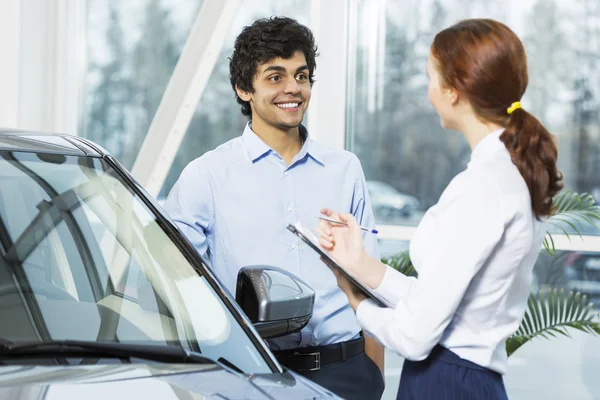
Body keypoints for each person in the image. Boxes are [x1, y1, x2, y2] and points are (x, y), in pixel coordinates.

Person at [316, 18, 563, 399]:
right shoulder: (509, 173)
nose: (428, 91)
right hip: (466, 380)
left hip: (445, 383)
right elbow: (440, 300)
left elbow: (414, 337)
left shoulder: (484, 186)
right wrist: (360, 264)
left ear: (454, 90)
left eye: (431, 77)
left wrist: (355, 300)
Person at [163, 16, 385, 400]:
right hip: (251, 378)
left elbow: (367, 281)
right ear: (243, 88)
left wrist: (373, 375)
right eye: (275, 77)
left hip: (346, 373)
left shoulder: (345, 169)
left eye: (301, 76)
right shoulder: (207, 176)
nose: (293, 89)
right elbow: (171, 287)